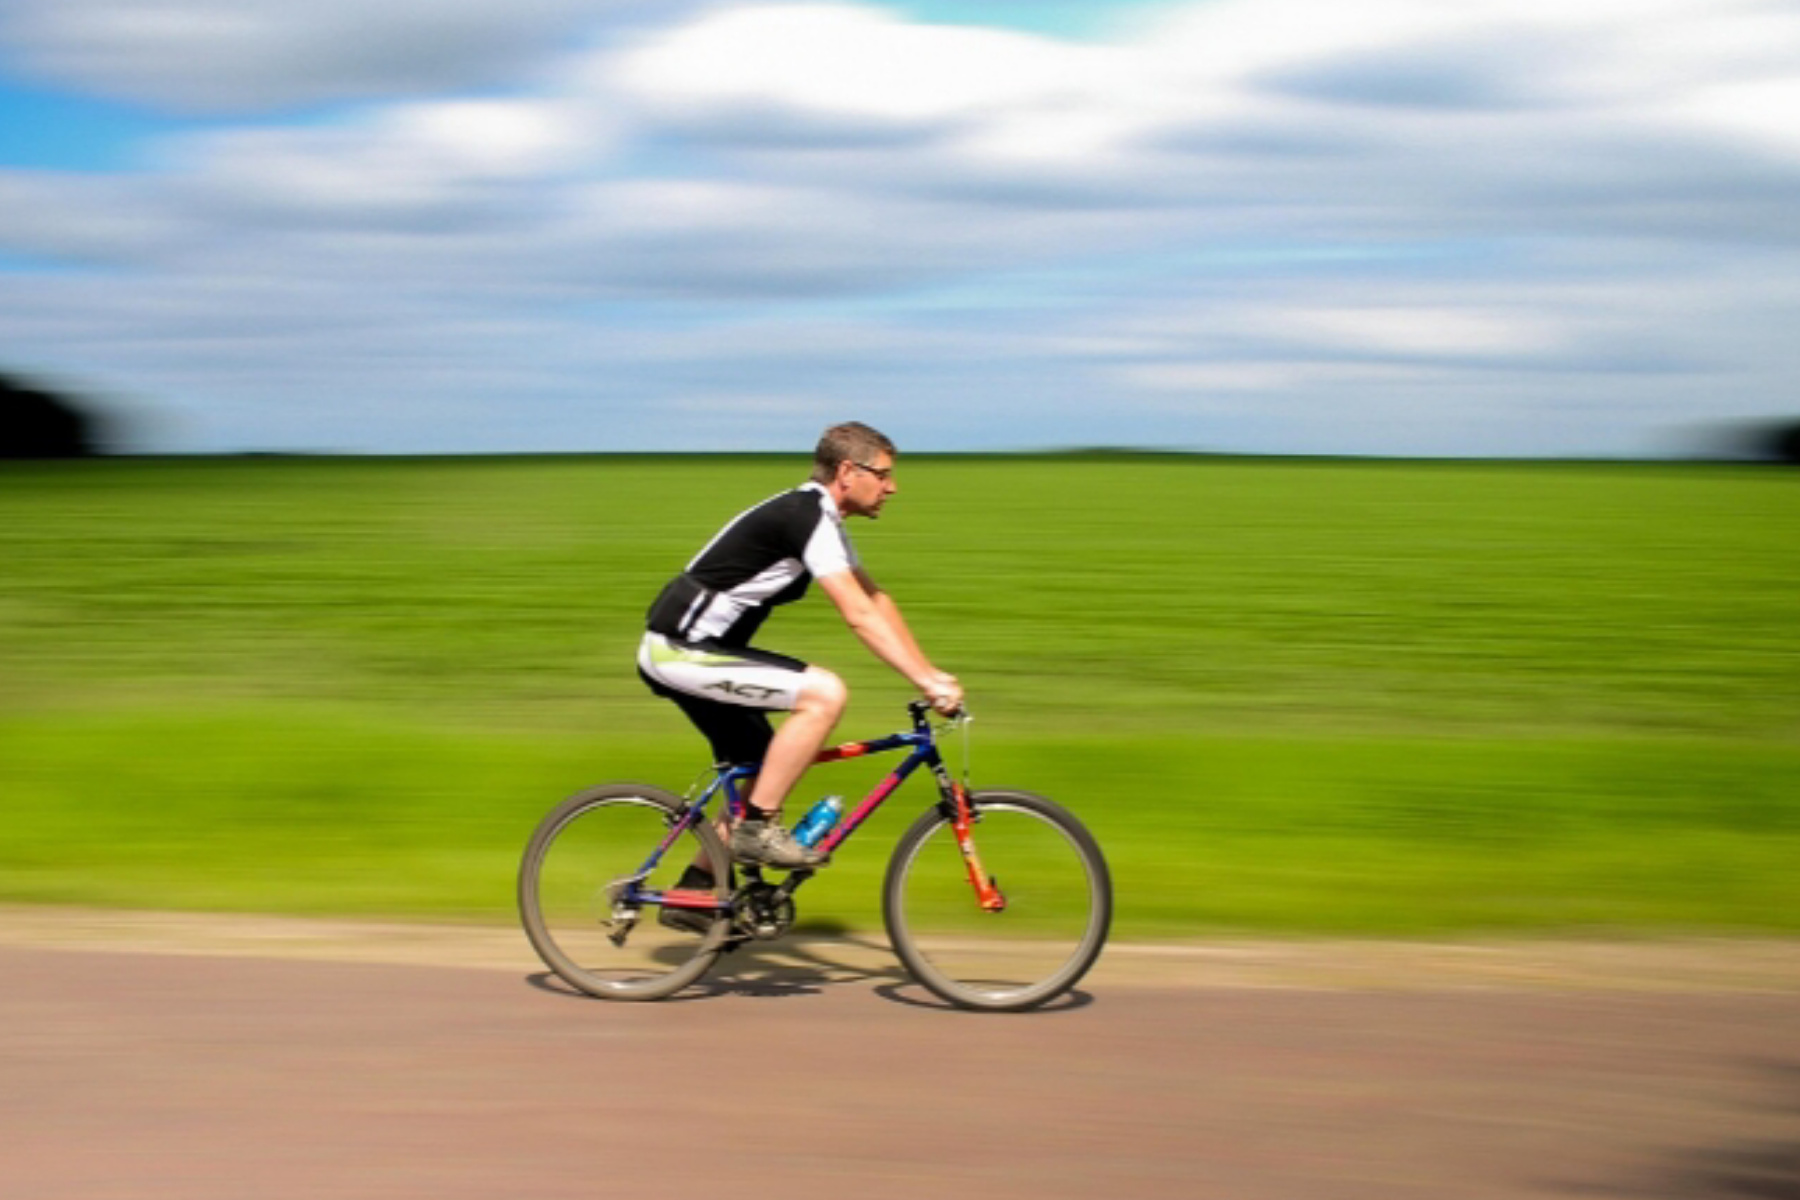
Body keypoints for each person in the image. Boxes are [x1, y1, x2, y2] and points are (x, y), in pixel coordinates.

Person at [638, 422, 962, 915]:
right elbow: (855, 614)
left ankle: (694, 891)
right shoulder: (806, 517)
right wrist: (923, 682)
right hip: (678, 651)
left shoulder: (822, 521)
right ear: (848, 472)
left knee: (767, 769)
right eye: (885, 474)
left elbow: (876, 601)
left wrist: (931, 672)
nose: (892, 487)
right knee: (825, 694)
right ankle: (757, 830)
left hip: (699, 652)